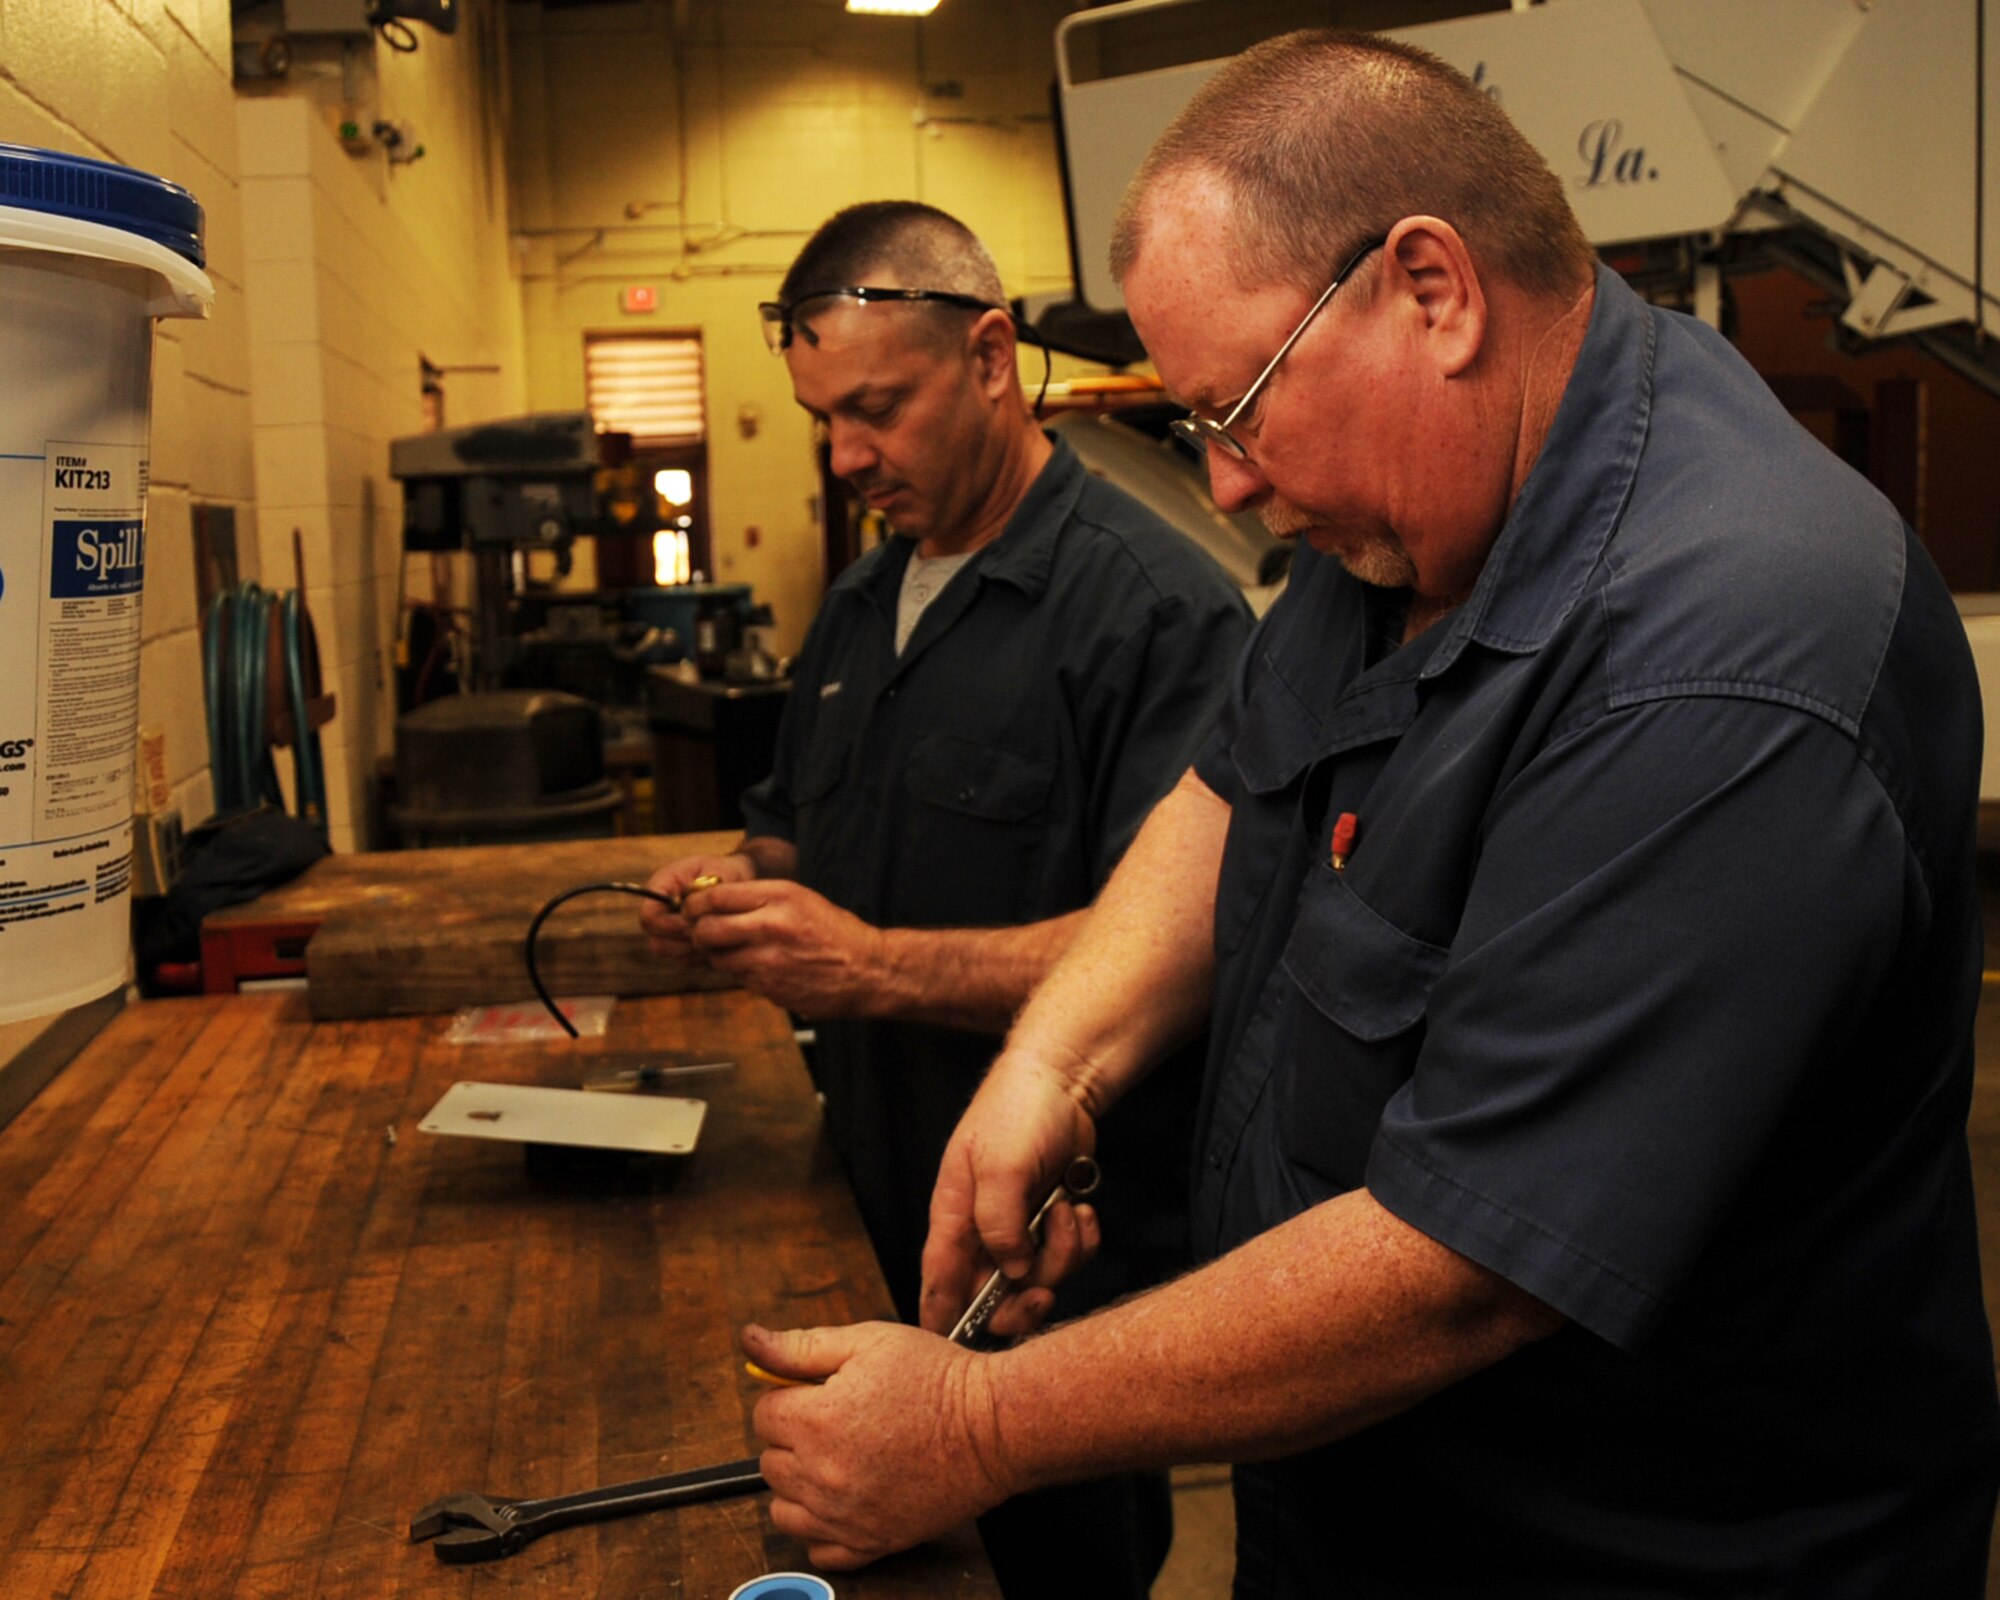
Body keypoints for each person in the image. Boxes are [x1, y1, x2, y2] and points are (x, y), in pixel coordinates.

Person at [738, 31, 2000, 1598]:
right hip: (1368, 1507)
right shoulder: (1425, 514)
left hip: (1636, 1556)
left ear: (1431, 290)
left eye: (1238, 408)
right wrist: (1055, 1060)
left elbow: (1462, 1266)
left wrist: (981, 1425)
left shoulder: (1731, 661)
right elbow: (1236, 784)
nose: (1231, 487)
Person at [641, 200, 1253, 1597]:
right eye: (820, 418)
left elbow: (1174, 943)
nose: (845, 457)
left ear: (990, 356)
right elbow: (796, 837)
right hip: (857, 1220)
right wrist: (736, 897)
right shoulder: (862, 604)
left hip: (1048, 1268)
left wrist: (866, 968)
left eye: (876, 409)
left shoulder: (1153, 611)